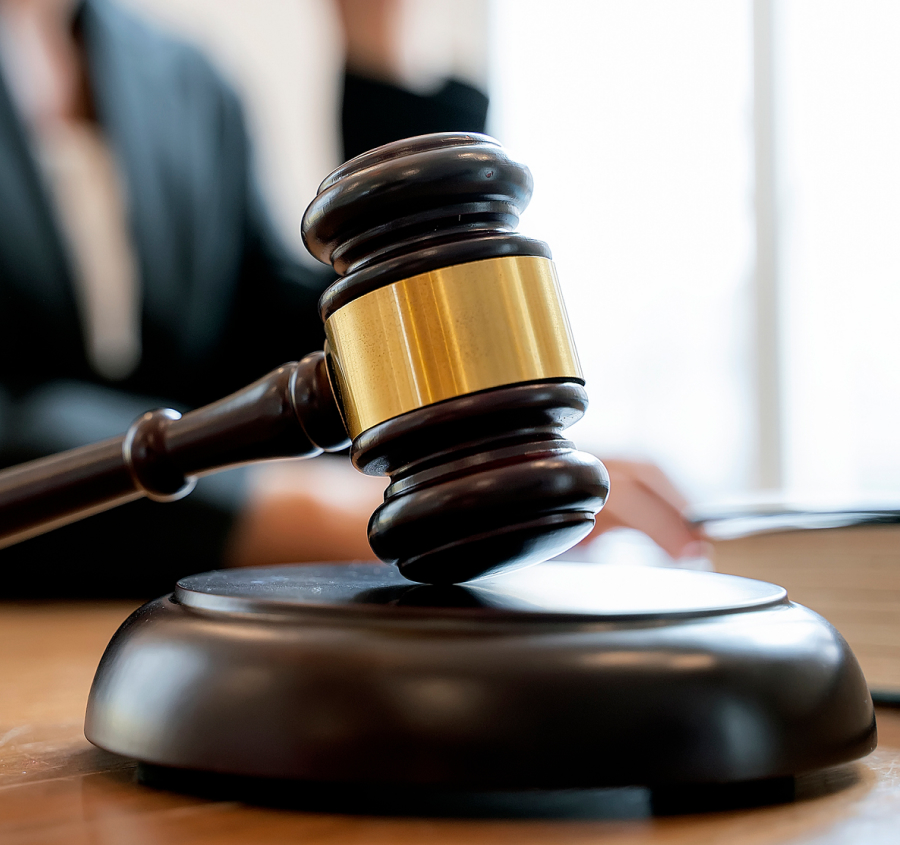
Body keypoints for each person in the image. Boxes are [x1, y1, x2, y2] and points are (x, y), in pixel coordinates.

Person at [0, 0, 699, 598]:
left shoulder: (184, 81)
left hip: (137, 608)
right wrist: (278, 507)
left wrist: (493, 445)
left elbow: (282, 341)